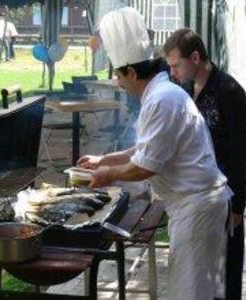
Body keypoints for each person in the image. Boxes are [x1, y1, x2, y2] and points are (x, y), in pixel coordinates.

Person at [77, 7, 233, 300]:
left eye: (119, 75)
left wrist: (108, 174)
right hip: (195, 206)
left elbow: (145, 166)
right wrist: (104, 160)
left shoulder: (161, 100)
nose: (118, 82)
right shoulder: (162, 94)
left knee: (189, 295)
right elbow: (147, 149)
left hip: (197, 208)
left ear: (132, 72)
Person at [163, 28, 246, 300]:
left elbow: (243, 152)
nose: (173, 73)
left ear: (195, 57)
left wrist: (238, 205)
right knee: (200, 275)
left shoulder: (230, 91)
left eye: (176, 65)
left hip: (225, 196)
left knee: (225, 275)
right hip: (197, 196)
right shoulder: (185, 90)